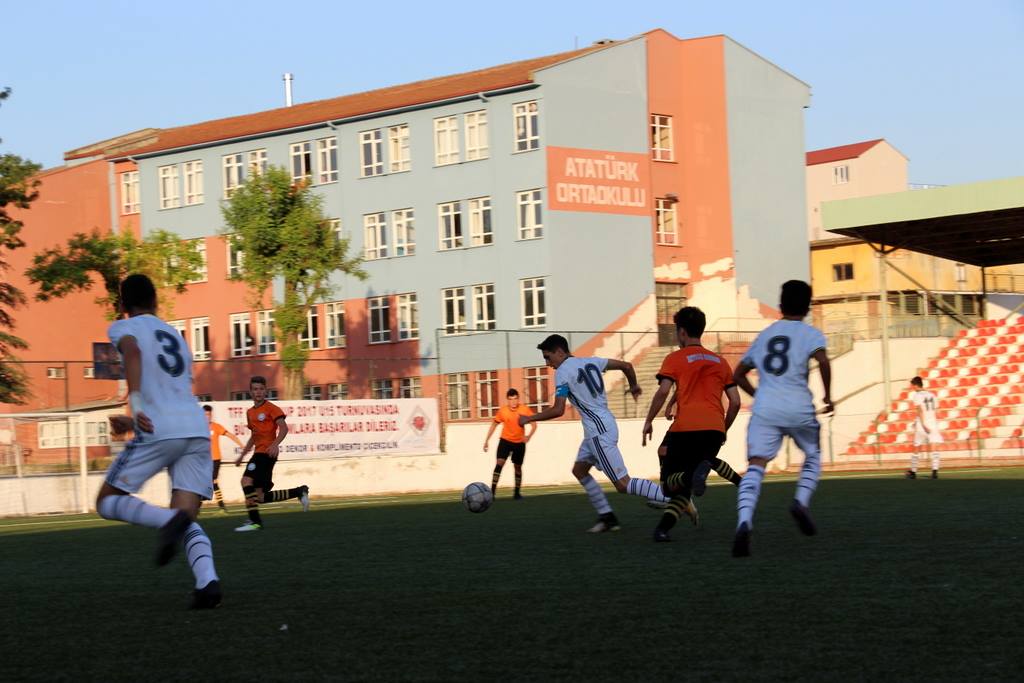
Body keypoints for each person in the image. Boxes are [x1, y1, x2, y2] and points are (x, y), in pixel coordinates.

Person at [95, 273, 221, 608]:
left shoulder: (123, 328)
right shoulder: (176, 336)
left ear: (123, 305)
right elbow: (170, 386)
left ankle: (168, 522)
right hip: (194, 427)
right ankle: (207, 583)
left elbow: (133, 355)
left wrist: (135, 405)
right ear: (155, 301)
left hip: (158, 428)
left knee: (106, 501)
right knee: (186, 518)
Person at [519, 334, 670, 533]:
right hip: (602, 425)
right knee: (579, 470)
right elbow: (626, 366)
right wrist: (633, 385)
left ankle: (673, 499)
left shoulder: (563, 372)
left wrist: (528, 418)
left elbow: (558, 410)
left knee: (623, 485)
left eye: (548, 357)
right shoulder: (591, 361)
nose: (548, 363)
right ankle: (608, 518)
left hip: (598, 431)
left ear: (560, 351)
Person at [731, 280, 833, 558]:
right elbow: (823, 361)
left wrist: (759, 394)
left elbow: (737, 374)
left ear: (781, 304)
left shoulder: (765, 335)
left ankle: (744, 522)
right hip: (798, 404)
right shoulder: (811, 334)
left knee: (755, 466)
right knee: (812, 454)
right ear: (808, 306)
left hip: (766, 408)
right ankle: (800, 501)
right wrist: (827, 397)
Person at [642, 306, 742, 541]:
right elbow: (735, 402)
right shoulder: (720, 361)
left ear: (682, 332)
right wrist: (723, 429)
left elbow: (663, 391)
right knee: (688, 483)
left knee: (669, 486)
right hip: (714, 428)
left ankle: (693, 476)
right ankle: (662, 530)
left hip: (686, 429)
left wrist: (648, 420)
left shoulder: (675, 358)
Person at [233, 376, 310, 532]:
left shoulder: (271, 408)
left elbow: (284, 428)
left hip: (266, 454)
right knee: (259, 497)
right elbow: (254, 436)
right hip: (259, 453)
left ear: (265, 391)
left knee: (246, 481)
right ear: (250, 392)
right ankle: (299, 491)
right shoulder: (250, 413)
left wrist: (275, 444)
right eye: (255, 389)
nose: (258, 392)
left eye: (261, 389)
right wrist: (242, 455)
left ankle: (255, 522)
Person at [482, 389, 536, 499]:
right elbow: (494, 425)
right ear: (508, 400)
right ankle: (492, 493)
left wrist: (528, 436)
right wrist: (487, 440)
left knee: (517, 467)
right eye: (511, 399)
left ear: (518, 399)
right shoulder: (503, 411)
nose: (513, 402)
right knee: (499, 464)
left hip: (519, 443)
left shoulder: (524, 409)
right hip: (505, 441)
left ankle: (517, 493)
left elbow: (534, 424)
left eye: (515, 399)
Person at [204, 405, 244, 511]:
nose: (207, 416)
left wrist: (241, 445)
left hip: (215, 459)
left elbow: (230, 435)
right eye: (205, 414)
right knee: (211, 482)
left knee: (212, 481)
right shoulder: (199, 428)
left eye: (208, 414)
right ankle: (221, 506)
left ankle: (219, 505)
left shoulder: (216, 427)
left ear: (211, 415)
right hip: (204, 460)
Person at [907, 376, 942, 479]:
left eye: (912, 386)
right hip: (933, 423)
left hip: (923, 425)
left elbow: (920, 410)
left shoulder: (917, 395)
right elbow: (935, 410)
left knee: (917, 447)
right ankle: (935, 471)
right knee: (934, 447)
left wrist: (922, 424)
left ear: (915, 385)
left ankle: (913, 472)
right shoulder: (932, 395)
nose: (912, 388)